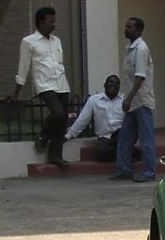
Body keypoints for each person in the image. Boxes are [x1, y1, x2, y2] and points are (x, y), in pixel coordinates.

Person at [8, 6, 71, 167]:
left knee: (63, 120)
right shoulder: (29, 42)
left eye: (54, 21)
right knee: (57, 113)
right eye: (50, 21)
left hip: (62, 84)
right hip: (45, 84)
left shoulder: (57, 41)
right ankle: (42, 136)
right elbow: (24, 67)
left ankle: (55, 155)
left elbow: (59, 64)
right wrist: (16, 92)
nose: (53, 25)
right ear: (41, 22)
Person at [113, 17, 156, 182]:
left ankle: (149, 172)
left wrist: (128, 98)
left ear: (138, 30)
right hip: (132, 101)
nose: (126, 29)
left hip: (141, 100)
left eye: (129, 27)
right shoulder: (131, 48)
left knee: (146, 138)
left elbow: (140, 76)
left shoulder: (141, 49)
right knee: (125, 136)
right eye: (126, 26)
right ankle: (124, 170)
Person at [65, 75, 124, 162]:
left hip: (121, 135)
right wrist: (69, 135)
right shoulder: (94, 100)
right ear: (105, 85)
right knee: (101, 153)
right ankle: (129, 154)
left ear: (119, 87)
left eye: (116, 83)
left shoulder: (125, 100)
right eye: (110, 82)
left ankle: (126, 153)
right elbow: (83, 120)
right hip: (105, 137)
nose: (113, 85)